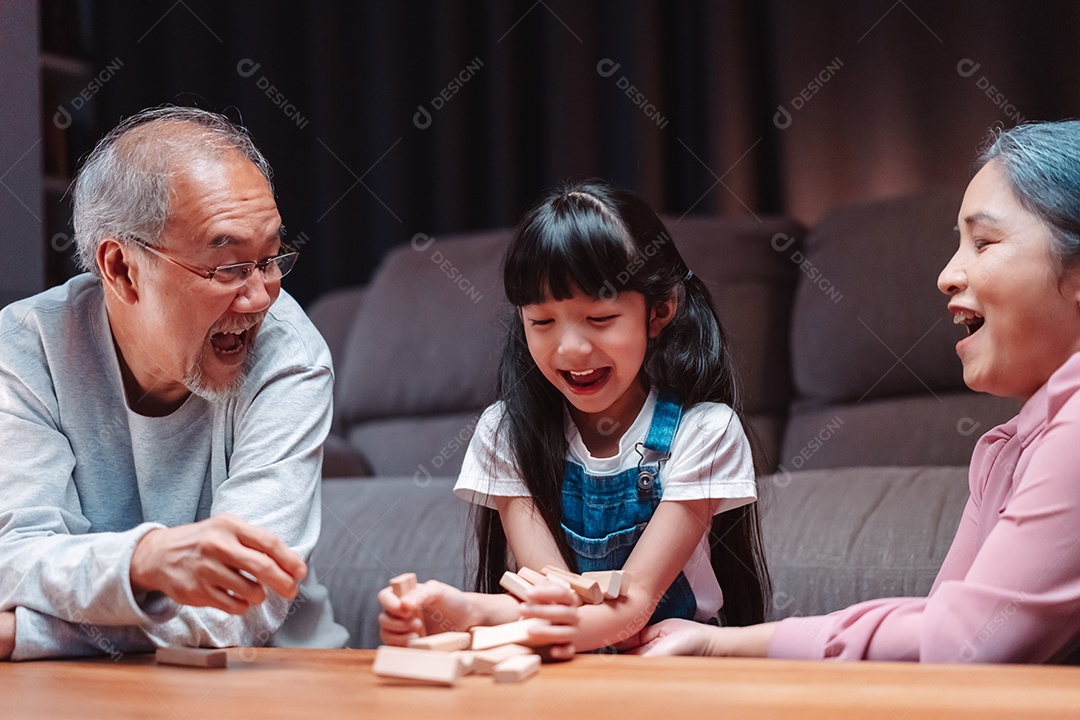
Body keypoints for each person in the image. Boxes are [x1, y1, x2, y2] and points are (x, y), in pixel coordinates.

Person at [637, 120, 1080, 664]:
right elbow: (947, 621)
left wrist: (725, 643)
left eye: (984, 242)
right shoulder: (1007, 447)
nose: (947, 275)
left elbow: (964, 642)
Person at [0, 106, 347, 661]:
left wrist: (31, 634)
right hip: (89, 687)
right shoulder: (24, 350)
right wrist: (146, 559)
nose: (260, 296)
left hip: (272, 676)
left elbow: (241, 598)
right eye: (229, 267)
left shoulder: (290, 355)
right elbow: (11, 557)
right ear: (121, 269)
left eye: (271, 258)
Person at [379, 180, 770, 653]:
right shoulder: (506, 434)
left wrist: (484, 624)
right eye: (541, 322)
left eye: (600, 318)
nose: (570, 349)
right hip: (569, 661)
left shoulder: (705, 432)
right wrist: (459, 611)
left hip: (676, 664)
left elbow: (636, 602)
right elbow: (554, 596)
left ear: (660, 311)